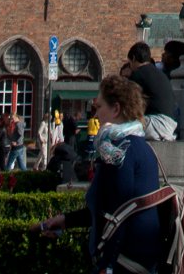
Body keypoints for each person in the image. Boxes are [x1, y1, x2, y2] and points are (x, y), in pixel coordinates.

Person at [39, 73, 164, 274]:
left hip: (125, 260)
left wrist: (108, 264)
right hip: (138, 257)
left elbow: (117, 211)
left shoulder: (117, 150)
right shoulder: (142, 146)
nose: (95, 116)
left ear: (116, 109)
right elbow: (109, 206)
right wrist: (65, 220)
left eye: (99, 107)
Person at [125, 43, 179, 141]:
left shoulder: (138, 74)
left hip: (156, 125)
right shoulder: (159, 74)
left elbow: (126, 102)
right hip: (171, 125)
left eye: (129, 63)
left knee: (118, 126)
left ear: (133, 58)